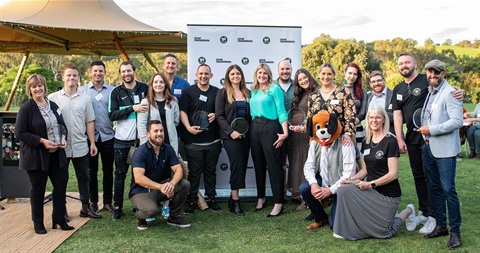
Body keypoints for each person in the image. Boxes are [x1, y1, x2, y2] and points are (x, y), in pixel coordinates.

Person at [392, 53, 463, 234]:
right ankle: (431, 217)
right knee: (425, 181)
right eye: (401, 63)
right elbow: (398, 114)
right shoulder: (406, 89)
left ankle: (445, 224)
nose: (404, 65)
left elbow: (455, 115)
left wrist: (460, 93)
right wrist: (400, 138)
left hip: (436, 143)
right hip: (420, 143)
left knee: (442, 186)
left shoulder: (437, 85)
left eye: (407, 62)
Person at [333, 105, 413, 240]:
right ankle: (344, 228)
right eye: (371, 117)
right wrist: (351, 180)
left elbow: (393, 174)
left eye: (377, 117)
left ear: (383, 120)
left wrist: (369, 184)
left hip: (388, 194)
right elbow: (365, 169)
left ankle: (409, 210)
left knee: (385, 233)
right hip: (371, 190)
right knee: (343, 189)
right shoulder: (366, 141)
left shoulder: (390, 140)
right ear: (367, 120)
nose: (374, 120)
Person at [15, 74, 74, 234]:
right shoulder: (26, 108)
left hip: (57, 154)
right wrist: (42, 141)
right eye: (34, 86)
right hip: (37, 156)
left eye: (40, 85)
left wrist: (63, 138)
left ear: (44, 87)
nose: (38, 89)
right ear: (30, 89)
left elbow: (62, 126)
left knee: (61, 187)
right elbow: (19, 133)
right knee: (38, 189)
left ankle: (59, 218)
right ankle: (38, 223)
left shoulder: (53, 105)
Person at [416, 59, 463, 249]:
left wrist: (431, 130)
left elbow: (457, 121)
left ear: (443, 73)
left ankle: (455, 232)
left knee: (448, 190)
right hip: (428, 148)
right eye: (429, 71)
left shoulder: (451, 93)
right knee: (434, 188)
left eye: (436, 72)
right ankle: (441, 225)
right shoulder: (431, 92)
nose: (432, 75)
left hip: (444, 150)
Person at [48, 64, 101, 219]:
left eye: (75, 75)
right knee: (61, 179)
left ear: (79, 78)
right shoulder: (53, 98)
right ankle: (61, 210)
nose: (71, 78)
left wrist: (92, 143)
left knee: (84, 177)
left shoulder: (85, 99)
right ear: (63, 77)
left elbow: (90, 121)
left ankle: (85, 207)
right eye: (69, 75)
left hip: (80, 144)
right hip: (60, 147)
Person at [300, 110, 356, 230]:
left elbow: (349, 173)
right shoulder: (315, 143)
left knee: (334, 225)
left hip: (341, 184)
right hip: (324, 179)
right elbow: (309, 165)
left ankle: (346, 212)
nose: (323, 131)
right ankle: (320, 218)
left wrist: (330, 190)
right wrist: (314, 184)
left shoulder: (345, 143)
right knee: (305, 188)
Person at [129, 120, 191, 230]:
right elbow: (138, 178)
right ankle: (139, 214)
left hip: (160, 188)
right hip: (141, 190)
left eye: (161, 131)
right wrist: (160, 187)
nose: (159, 133)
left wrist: (172, 184)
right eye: (155, 131)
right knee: (151, 211)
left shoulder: (167, 148)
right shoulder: (140, 152)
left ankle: (174, 217)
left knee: (184, 184)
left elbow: (178, 170)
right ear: (148, 134)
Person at [108, 61, 149, 220]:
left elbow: (157, 99)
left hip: (140, 141)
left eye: (129, 71)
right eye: (123, 71)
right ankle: (117, 206)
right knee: (119, 174)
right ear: (121, 73)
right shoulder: (116, 92)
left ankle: (136, 204)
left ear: (134, 71)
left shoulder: (144, 88)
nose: (126, 74)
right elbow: (112, 115)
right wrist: (133, 108)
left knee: (138, 175)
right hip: (121, 141)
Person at [137, 72, 180, 220]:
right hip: (152, 145)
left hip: (169, 145)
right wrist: (146, 147)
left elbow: (176, 122)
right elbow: (142, 126)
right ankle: (149, 204)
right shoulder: (146, 102)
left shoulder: (173, 102)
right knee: (151, 175)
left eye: (161, 82)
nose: (158, 85)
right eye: (155, 82)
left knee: (169, 175)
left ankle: (166, 205)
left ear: (165, 85)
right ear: (152, 85)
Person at [180, 64, 222, 215]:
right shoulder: (188, 91)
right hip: (193, 141)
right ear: (196, 75)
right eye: (201, 74)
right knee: (194, 173)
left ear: (211, 76)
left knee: (211, 172)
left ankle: (212, 200)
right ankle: (191, 201)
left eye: (206, 74)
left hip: (213, 141)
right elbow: (182, 111)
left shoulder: (217, 92)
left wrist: (216, 114)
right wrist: (188, 127)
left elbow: (222, 110)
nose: (203, 76)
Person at [249, 63, 288, 217]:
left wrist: (285, 133)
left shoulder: (274, 89)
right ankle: (261, 198)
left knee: (273, 166)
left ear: (269, 75)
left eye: (265, 73)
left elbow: (281, 111)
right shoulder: (253, 90)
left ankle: (278, 202)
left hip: (270, 127)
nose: (262, 76)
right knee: (258, 165)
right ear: (256, 74)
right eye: (259, 73)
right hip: (255, 128)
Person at [78, 61, 115, 213]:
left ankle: (107, 202)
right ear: (90, 72)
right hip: (90, 138)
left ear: (105, 72)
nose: (98, 73)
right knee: (91, 172)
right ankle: (93, 202)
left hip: (108, 136)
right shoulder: (82, 91)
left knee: (108, 171)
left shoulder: (113, 90)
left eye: (101, 71)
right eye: (95, 71)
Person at [215, 64, 251, 216]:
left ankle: (231, 198)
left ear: (241, 75)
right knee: (236, 165)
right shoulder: (223, 93)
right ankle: (236, 200)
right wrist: (231, 132)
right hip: (231, 136)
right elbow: (219, 115)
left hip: (247, 135)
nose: (235, 76)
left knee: (242, 165)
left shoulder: (247, 92)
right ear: (228, 77)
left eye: (238, 73)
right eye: (232, 74)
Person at [288, 68, 320, 210]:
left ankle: (308, 198)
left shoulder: (318, 91)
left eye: (305, 78)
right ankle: (300, 195)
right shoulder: (300, 95)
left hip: (311, 134)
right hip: (298, 135)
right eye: (300, 80)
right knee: (299, 163)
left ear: (310, 77)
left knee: (309, 165)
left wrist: (304, 127)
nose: (303, 81)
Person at [308, 63, 356, 147]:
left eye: (329, 74)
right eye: (323, 74)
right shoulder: (313, 96)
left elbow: (351, 115)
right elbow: (310, 118)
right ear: (319, 75)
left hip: (340, 139)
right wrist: (302, 128)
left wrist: (348, 134)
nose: (326, 77)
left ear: (334, 76)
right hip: (319, 141)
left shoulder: (344, 92)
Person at [273, 60, 301, 205]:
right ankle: (281, 193)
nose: (285, 71)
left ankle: (295, 193)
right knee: (280, 163)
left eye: (287, 69)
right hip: (276, 131)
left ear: (291, 70)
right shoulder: (271, 86)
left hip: (295, 131)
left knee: (295, 162)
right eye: (282, 69)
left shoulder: (297, 86)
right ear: (278, 70)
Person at [343, 62, 367, 159]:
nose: (352, 76)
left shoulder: (362, 91)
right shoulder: (337, 90)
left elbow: (362, 113)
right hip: (341, 129)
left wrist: (351, 124)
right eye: (350, 73)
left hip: (357, 129)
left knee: (358, 159)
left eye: (355, 74)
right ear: (345, 73)